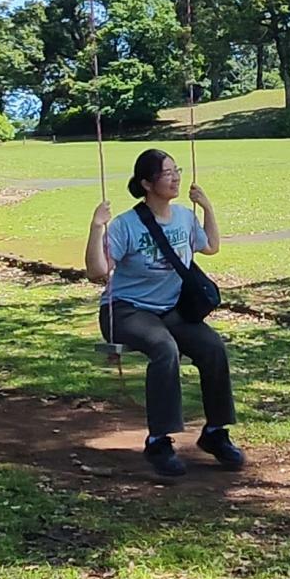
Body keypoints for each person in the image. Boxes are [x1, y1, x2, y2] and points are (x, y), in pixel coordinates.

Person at [84, 147, 244, 478]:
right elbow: (97, 272)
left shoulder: (185, 217)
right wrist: (97, 227)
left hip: (169, 309)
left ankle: (216, 433)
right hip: (126, 311)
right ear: (146, 183)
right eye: (166, 173)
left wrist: (207, 207)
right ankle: (159, 441)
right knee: (164, 347)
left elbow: (211, 246)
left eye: (176, 171)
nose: (175, 178)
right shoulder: (127, 225)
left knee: (212, 346)